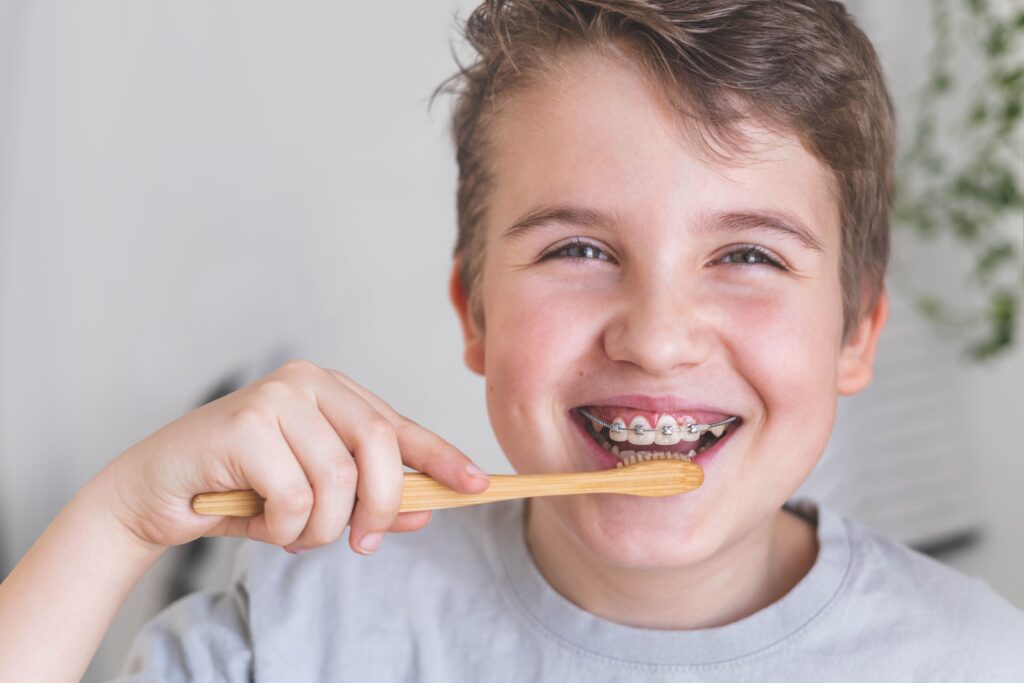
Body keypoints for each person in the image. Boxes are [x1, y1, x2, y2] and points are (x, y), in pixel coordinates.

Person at [2, 1, 1022, 681]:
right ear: (473, 313)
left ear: (856, 330)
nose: (658, 338)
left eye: (747, 255)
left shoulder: (971, 656)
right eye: (580, 246)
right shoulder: (309, 625)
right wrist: (118, 522)